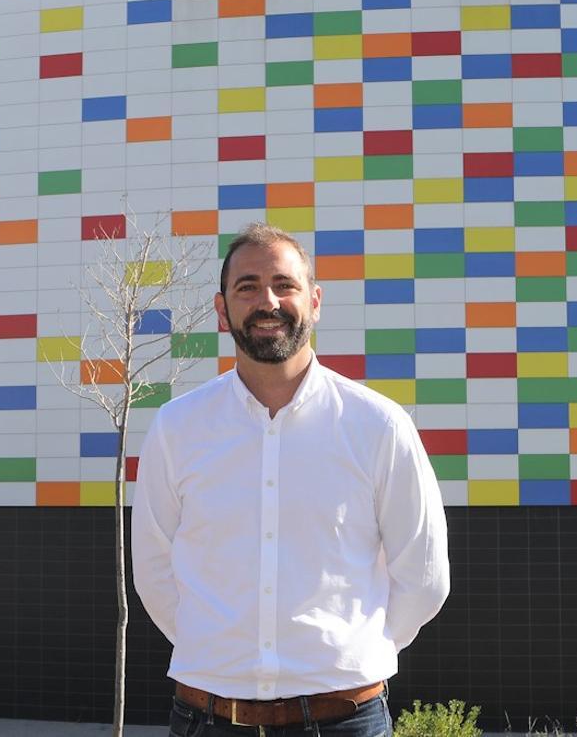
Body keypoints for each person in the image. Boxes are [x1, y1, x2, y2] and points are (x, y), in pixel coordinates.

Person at [132, 223, 450, 736]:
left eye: (285, 285)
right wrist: (218, 652)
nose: (268, 301)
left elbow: (425, 576)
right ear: (222, 308)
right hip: (207, 720)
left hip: (346, 720)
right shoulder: (177, 427)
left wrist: (347, 652)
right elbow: (153, 568)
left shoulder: (379, 426)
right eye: (248, 287)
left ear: (315, 300)